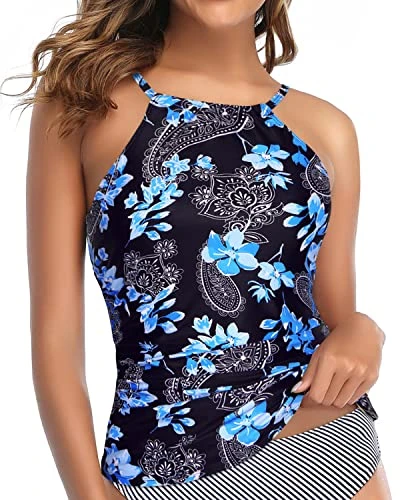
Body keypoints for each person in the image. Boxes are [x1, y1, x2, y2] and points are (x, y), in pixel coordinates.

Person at [2, 0, 392, 498]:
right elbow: (55, 340)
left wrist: (365, 332)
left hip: (329, 452)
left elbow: (336, 327)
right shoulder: (85, 104)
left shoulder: (327, 128)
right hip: (161, 471)